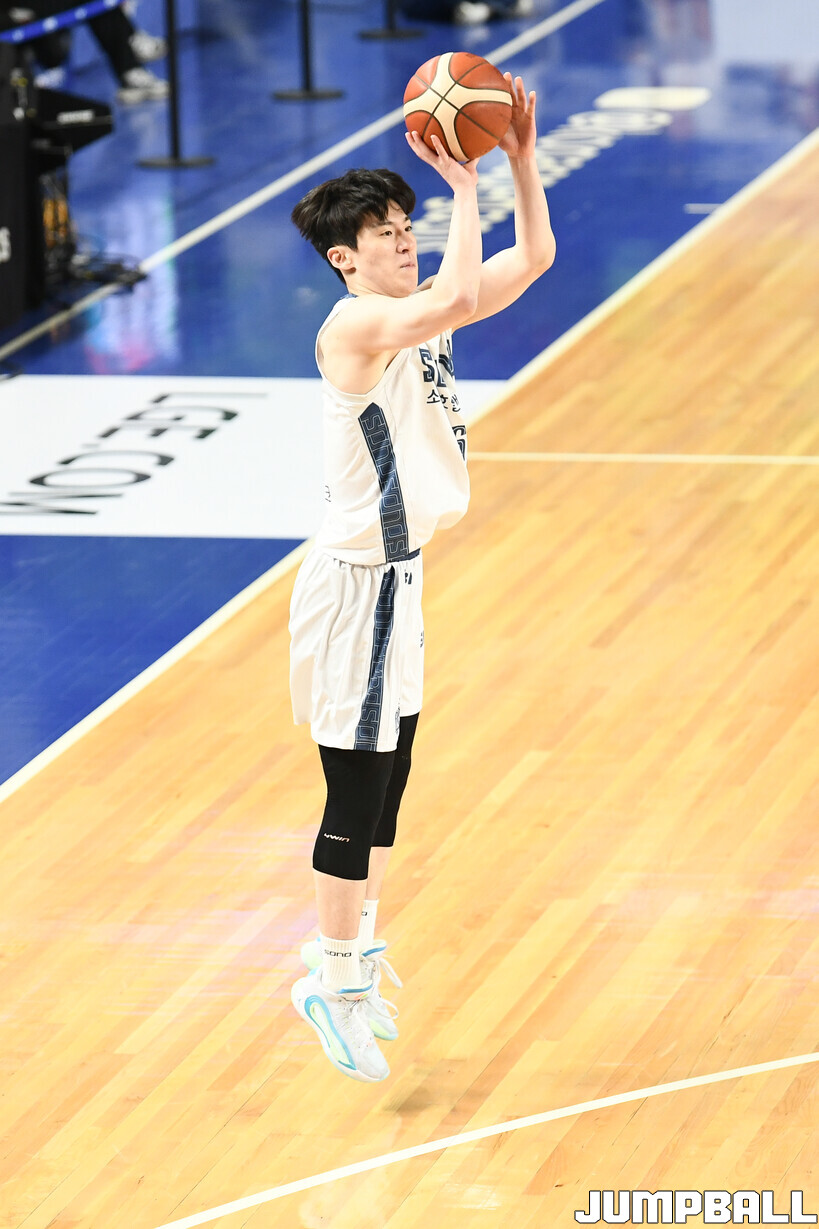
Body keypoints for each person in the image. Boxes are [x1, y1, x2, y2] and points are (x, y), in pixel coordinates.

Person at [288, 74, 555, 1083]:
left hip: (400, 583)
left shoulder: (418, 314)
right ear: (344, 258)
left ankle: (354, 955)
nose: (405, 241)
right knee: (354, 791)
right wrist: (465, 185)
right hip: (354, 586)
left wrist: (519, 160)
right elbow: (451, 292)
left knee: (390, 787)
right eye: (386, 233)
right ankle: (333, 980)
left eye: (409, 226)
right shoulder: (356, 325)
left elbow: (534, 259)